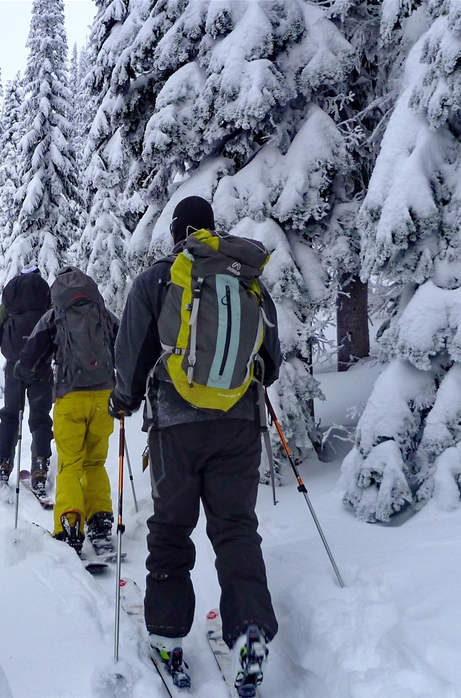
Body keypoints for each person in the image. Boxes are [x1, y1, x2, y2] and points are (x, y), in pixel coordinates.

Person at [107, 195, 282, 697]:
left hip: (175, 431)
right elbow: (271, 359)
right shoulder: (245, 278)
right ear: (210, 229)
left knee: (171, 530)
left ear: (176, 233)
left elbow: (133, 353)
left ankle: (165, 637)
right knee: (235, 530)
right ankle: (249, 629)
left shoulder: (158, 279)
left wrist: (124, 401)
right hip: (238, 426)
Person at [16, 267, 119, 556]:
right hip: (104, 397)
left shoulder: (55, 315)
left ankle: (70, 526)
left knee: (70, 465)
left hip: (70, 397)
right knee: (95, 463)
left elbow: (30, 354)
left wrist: (23, 373)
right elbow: (124, 341)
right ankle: (100, 522)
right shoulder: (101, 311)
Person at [0, 267, 54, 491]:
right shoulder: (45, 298)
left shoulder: (10, 300)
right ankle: (40, 465)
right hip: (41, 366)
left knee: (10, 416)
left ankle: (4, 462)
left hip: (14, 366)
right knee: (40, 417)